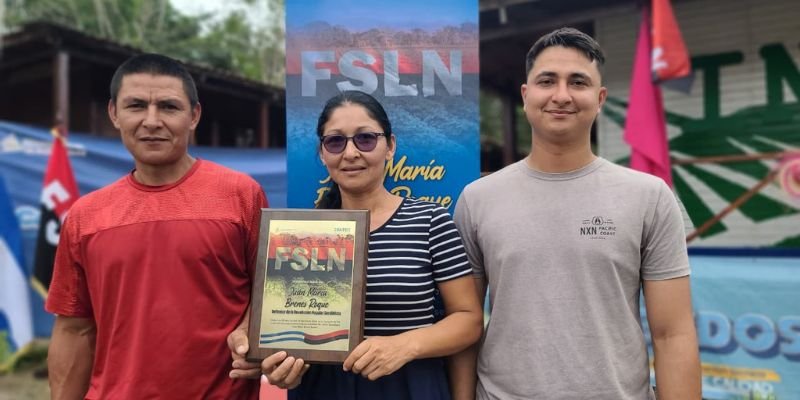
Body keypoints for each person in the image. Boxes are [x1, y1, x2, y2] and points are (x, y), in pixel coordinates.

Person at [452, 28, 701, 400]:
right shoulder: (477, 198)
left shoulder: (649, 196)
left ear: (599, 98)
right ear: (526, 95)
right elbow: (464, 325)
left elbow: (673, 333)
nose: (562, 95)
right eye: (547, 81)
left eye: (578, 82)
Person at [227, 90, 483, 399]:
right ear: (322, 154)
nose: (350, 153)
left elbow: (468, 320)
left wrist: (403, 345)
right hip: (324, 389)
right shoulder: (299, 235)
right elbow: (280, 330)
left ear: (390, 146)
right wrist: (277, 362)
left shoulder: (430, 220)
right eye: (335, 141)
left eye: (365, 139)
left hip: (409, 387)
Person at [45, 53, 267, 399]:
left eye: (168, 107)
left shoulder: (241, 195)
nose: (152, 121)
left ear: (194, 116)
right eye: (136, 106)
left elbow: (270, 292)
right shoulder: (85, 216)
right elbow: (74, 329)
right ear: (114, 114)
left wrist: (252, 332)